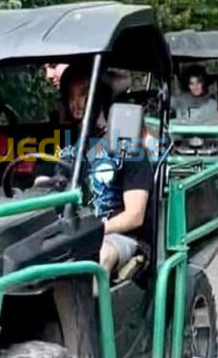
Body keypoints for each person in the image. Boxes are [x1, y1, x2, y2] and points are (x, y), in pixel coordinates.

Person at [60, 63, 152, 274]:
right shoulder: (64, 149)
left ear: (98, 95)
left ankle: (93, 306)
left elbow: (135, 215)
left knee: (98, 258)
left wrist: (93, 231)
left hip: (114, 235)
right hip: (65, 232)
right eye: (71, 96)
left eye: (84, 94)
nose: (77, 103)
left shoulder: (128, 148)